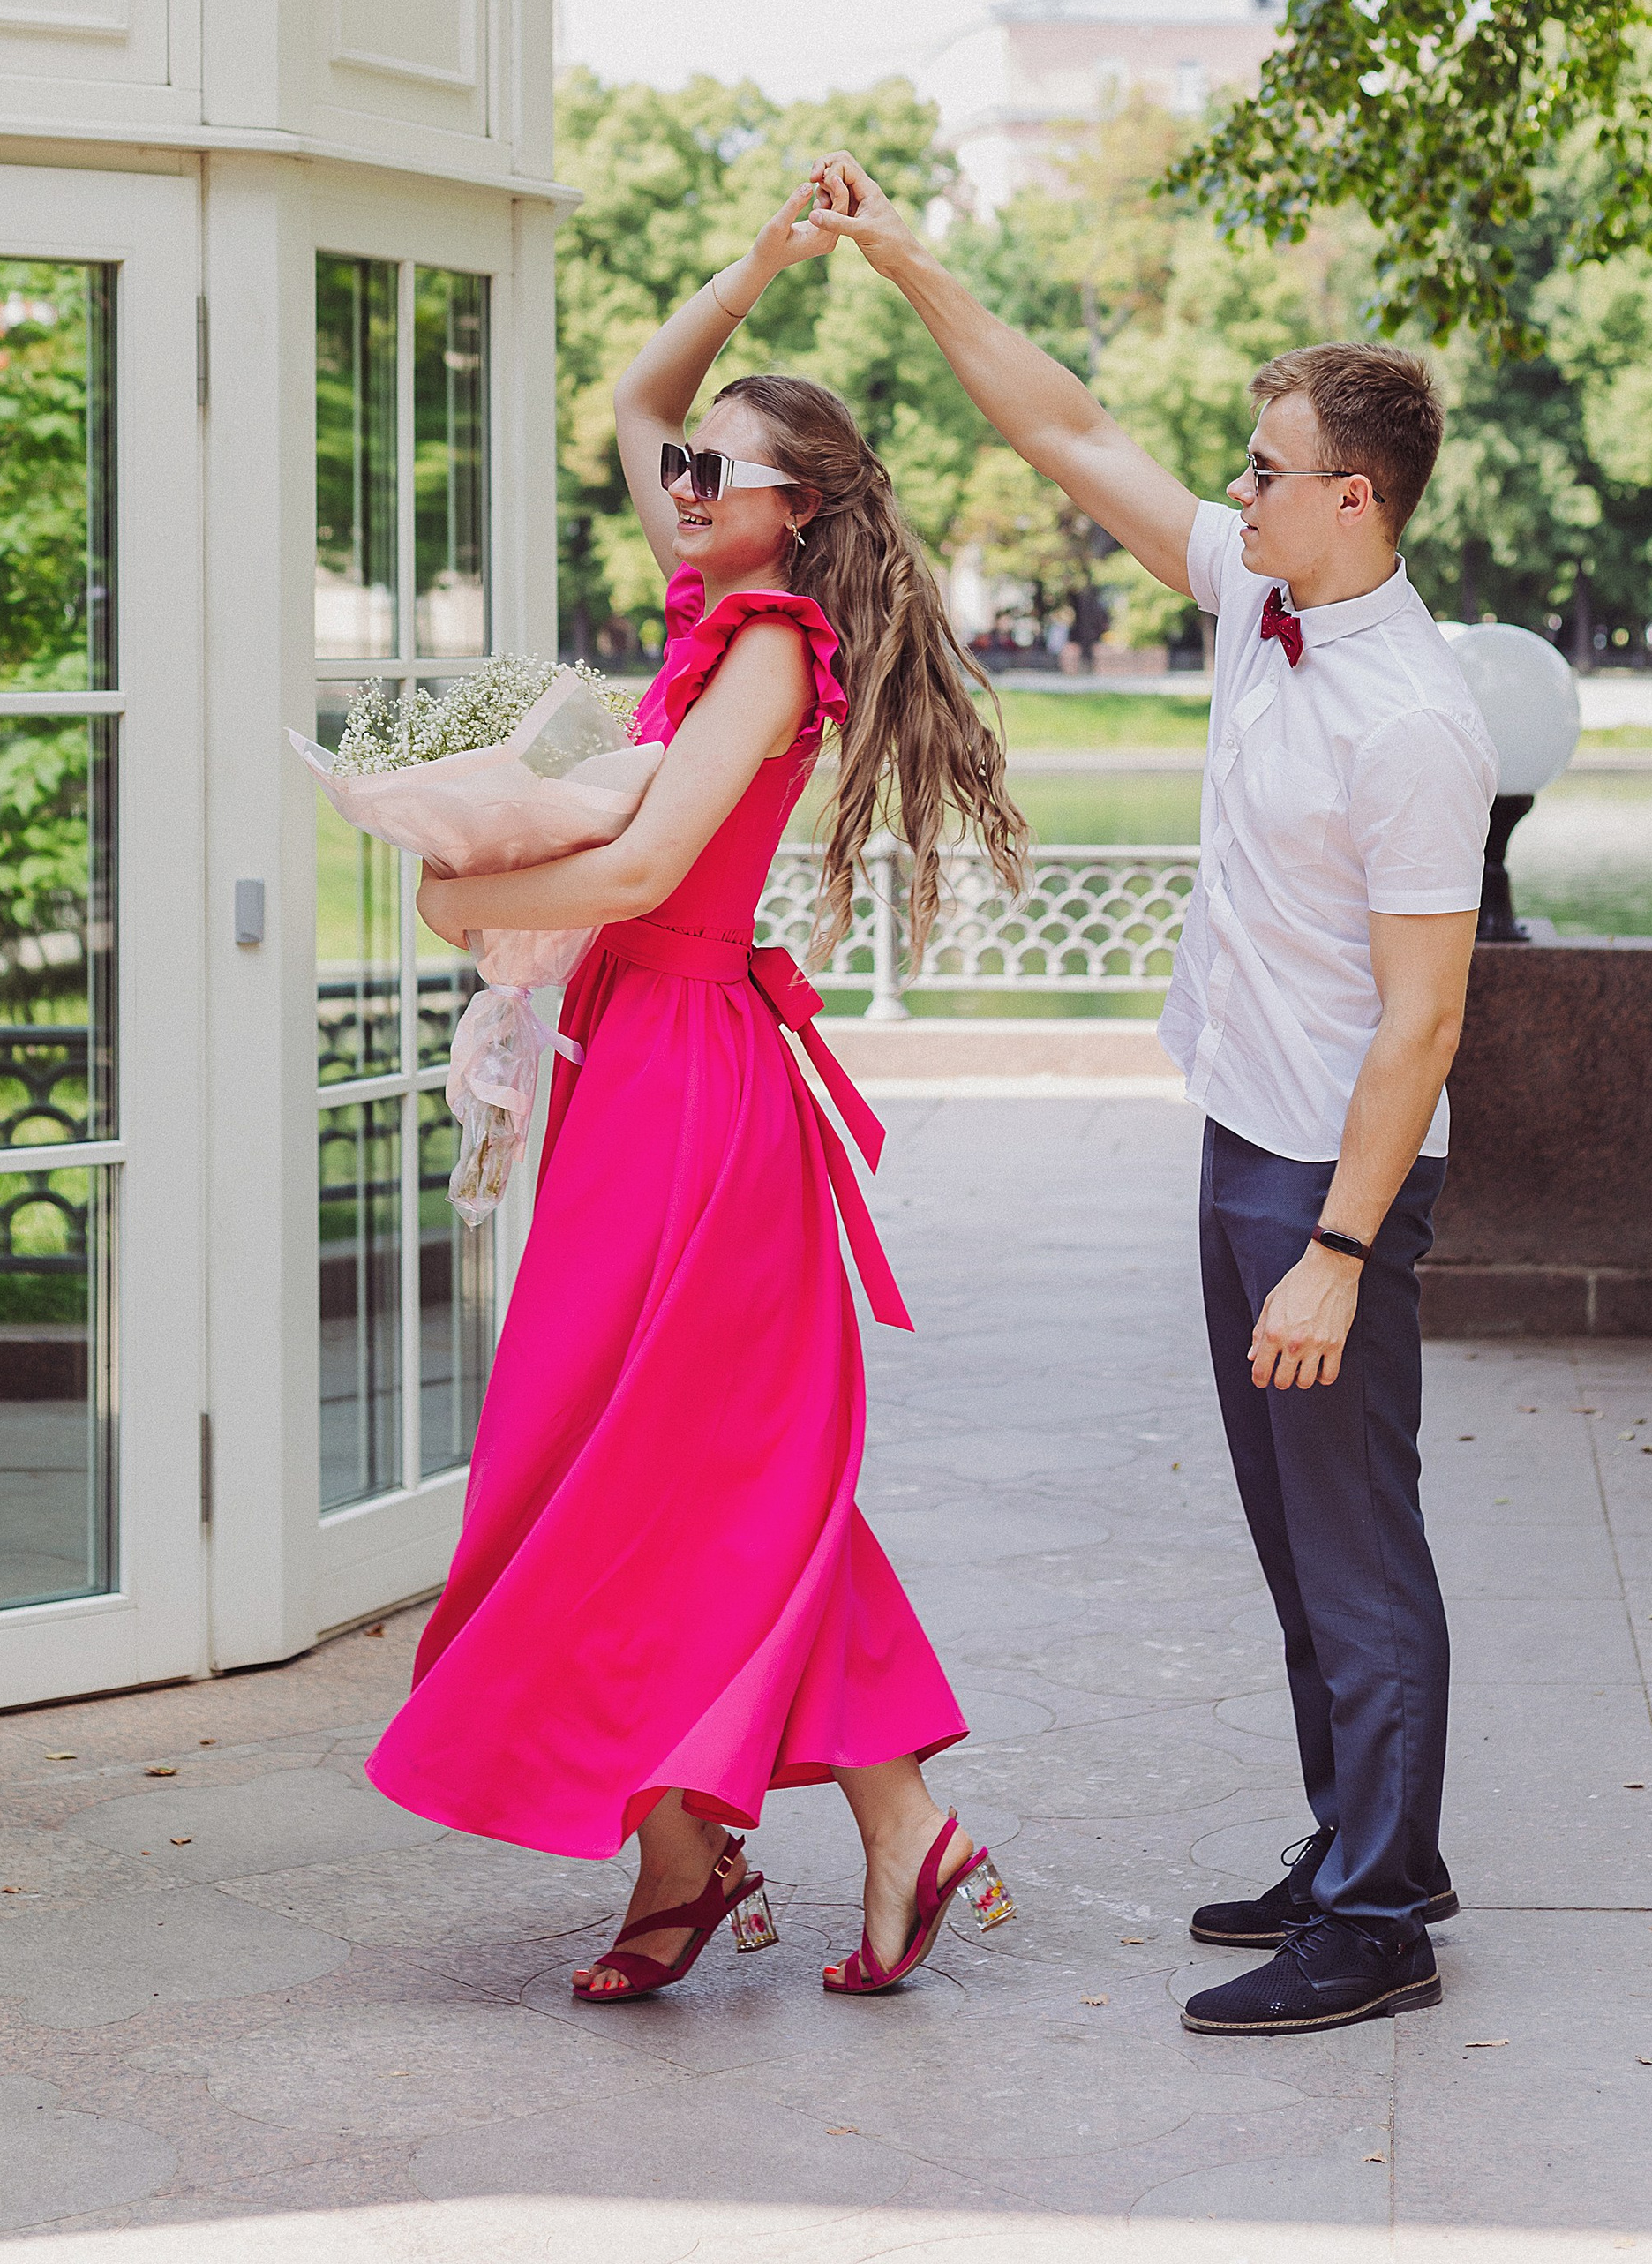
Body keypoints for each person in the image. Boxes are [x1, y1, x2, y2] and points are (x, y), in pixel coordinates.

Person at [808, 152, 1497, 2039]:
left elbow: (1424, 1020)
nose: (1234, 483)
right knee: (1294, 1531)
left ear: (1351, 498)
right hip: (1246, 1141)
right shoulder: (1253, 603)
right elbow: (1058, 424)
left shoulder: (1414, 717)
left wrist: (1337, 1250)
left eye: (1264, 464)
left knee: (1353, 1542)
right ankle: (1365, 1837)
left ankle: (1376, 1916)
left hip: (1328, 1178)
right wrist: (899, 255)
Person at [367, 185, 1032, 2004]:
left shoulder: (764, 651)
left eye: (710, 469)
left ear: (786, 509)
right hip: (633, 1075)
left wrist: (457, 894)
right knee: (646, 1470)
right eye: (679, 469)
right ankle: (817, 1835)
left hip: (693, 1089)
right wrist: (756, 271)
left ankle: (741, 1847)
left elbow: (652, 870)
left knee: (664, 1475)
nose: (674, 480)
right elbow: (639, 392)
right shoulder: (702, 612)